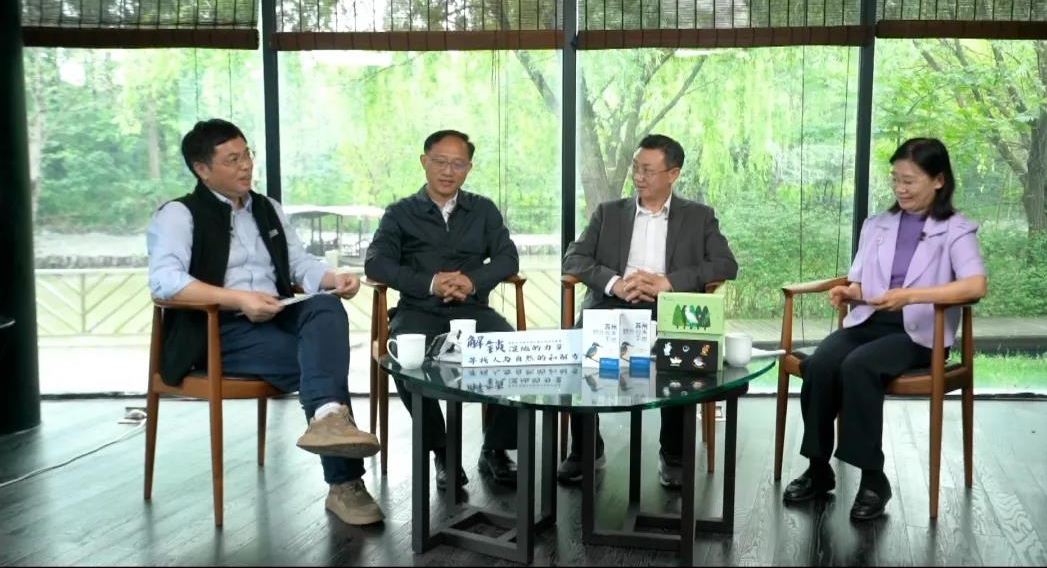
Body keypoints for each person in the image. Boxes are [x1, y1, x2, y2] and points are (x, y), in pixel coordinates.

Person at [147, 119, 383, 526]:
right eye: (232, 159)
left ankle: (328, 420)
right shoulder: (179, 214)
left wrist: (332, 278)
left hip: (276, 313)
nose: (246, 166)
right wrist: (238, 298)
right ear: (202, 169)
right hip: (218, 329)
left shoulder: (267, 208)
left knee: (326, 308)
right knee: (320, 363)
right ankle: (345, 483)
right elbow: (165, 282)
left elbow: (299, 264)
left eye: (247, 155)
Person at [783, 137, 987, 522]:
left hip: (919, 334)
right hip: (870, 321)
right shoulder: (877, 225)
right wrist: (849, 292)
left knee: (858, 366)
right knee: (821, 364)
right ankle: (818, 468)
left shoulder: (956, 229)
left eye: (909, 181)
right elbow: (863, 285)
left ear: (938, 180)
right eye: (895, 179)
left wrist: (911, 296)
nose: (900, 189)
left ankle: (873, 479)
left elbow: (975, 286)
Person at [560, 134, 739, 488]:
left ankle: (674, 454)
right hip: (613, 303)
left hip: (668, 306)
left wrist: (668, 282)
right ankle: (585, 449)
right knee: (578, 354)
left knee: (682, 360)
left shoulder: (699, 216)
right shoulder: (609, 213)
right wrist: (614, 283)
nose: (638, 177)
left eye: (648, 170)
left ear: (673, 174)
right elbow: (574, 258)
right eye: (636, 168)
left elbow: (725, 265)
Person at [364, 129, 521, 489]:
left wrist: (471, 280)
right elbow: (376, 263)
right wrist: (431, 282)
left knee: (512, 350)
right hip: (419, 308)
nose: (448, 171)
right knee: (405, 359)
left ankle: (495, 448)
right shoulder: (400, 213)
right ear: (425, 162)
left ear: (469, 168)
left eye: (458, 164)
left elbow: (507, 257)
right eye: (440, 162)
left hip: (473, 309)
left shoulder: (482, 209)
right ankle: (442, 451)